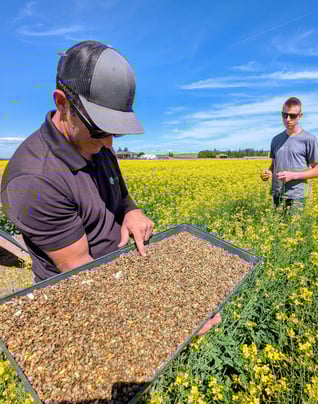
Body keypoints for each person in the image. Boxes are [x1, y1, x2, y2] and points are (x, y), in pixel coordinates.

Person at [0, 40, 218, 335]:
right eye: (100, 129)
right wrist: (171, 317)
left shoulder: (95, 144)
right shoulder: (34, 181)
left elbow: (121, 197)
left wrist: (133, 211)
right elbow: (83, 273)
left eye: (114, 131)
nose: (108, 144)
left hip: (124, 280)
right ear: (62, 103)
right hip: (84, 303)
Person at [261, 97, 318, 213]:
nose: (288, 119)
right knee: (278, 229)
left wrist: (293, 176)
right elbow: (274, 164)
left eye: (292, 116)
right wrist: (269, 172)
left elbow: (316, 171)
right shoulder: (276, 140)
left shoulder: (309, 140)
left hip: (296, 195)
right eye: (284, 115)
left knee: (292, 230)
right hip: (277, 193)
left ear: (300, 116)